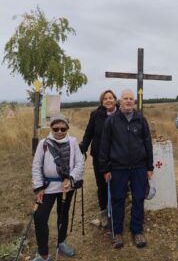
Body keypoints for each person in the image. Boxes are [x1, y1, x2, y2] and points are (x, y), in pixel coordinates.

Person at [99, 89, 154, 249]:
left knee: (138, 198)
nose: (128, 101)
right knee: (117, 199)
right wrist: (105, 169)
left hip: (139, 167)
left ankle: (137, 231)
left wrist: (149, 166)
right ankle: (117, 232)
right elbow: (104, 146)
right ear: (120, 101)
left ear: (134, 102)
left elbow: (147, 143)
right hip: (118, 168)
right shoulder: (111, 121)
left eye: (131, 99)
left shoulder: (141, 120)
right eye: (125, 98)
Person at [32, 114, 84, 261]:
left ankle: (61, 243)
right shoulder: (43, 144)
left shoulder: (73, 142)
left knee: (63, 215)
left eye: (63, 128)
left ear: (67, 128)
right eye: (56, 128)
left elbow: (80, 163)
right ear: (51, 128)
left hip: (66, 187)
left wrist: (71, 178)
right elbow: (36, 166)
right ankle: (43, 254)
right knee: (40, 217)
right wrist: (38, 187)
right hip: (47, 187)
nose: (60, 131)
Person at [79, 89, 118, 228]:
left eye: (111, 98)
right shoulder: (95, 115)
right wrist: (82, 148)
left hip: (117, 157)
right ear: (102, 102)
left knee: (117, 185)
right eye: (105, 98)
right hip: (99, 157)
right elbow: (89, 133)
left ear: (115, 99)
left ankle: (116, 213)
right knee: (101, 185)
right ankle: (104, 215)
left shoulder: (121, 114)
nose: (108, 100)